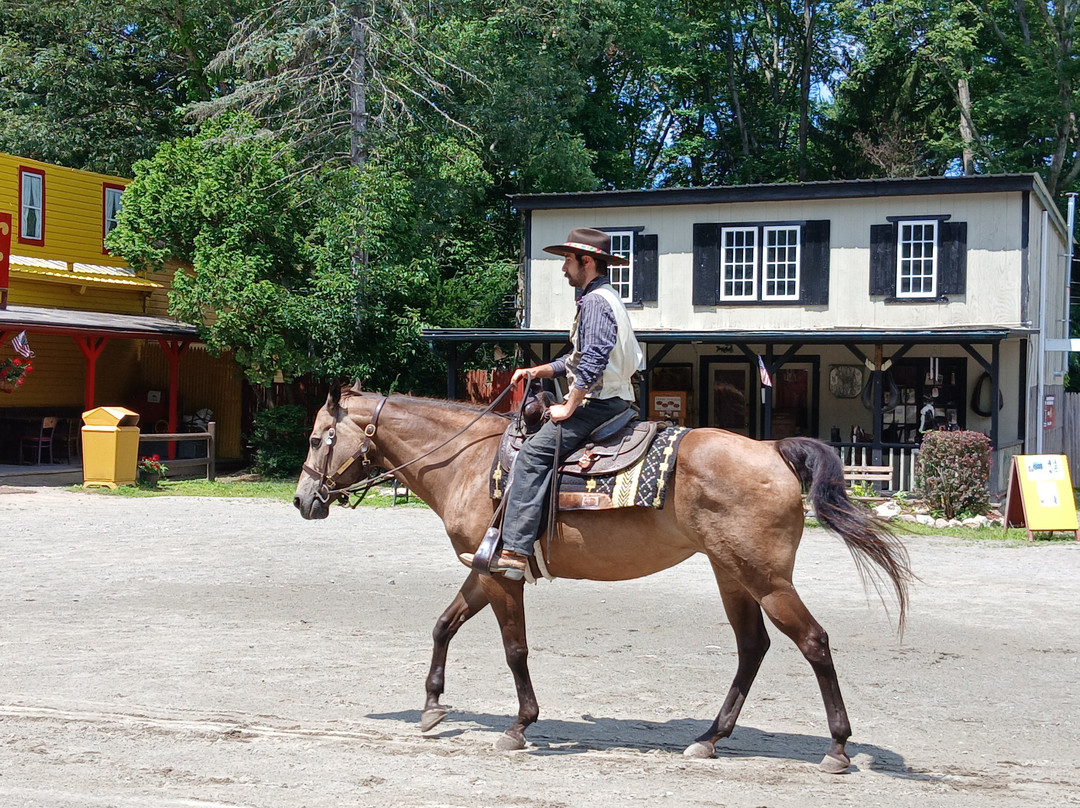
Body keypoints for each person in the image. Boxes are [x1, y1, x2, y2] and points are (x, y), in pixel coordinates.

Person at [461, 228, 642, 578]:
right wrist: (536, 370)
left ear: (586, 262)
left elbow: (593, 360)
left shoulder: (594, 302)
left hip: (602, 404)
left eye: (567, 261)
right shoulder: (605, 297)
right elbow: (575, 359)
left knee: (532, 455)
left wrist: (569, 406)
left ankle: (514, 550)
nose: (563, 270)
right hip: (614, 398)